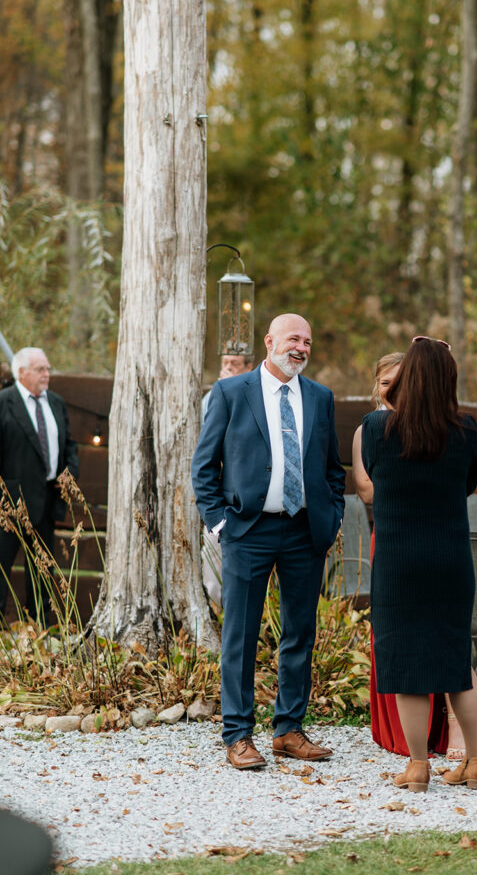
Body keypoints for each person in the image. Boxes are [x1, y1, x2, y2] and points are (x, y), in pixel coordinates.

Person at [192, 313, 346, 771]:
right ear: (270, 341)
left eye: (308, 341)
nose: (301, 347)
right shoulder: (231, 392)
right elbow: (205, 467)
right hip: (247, 530)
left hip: (304, 532)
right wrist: (220, 524)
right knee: (239, 634)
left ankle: (288, 730)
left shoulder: (320, 397)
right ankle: (238, 735)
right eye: (293, 338)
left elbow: (333, 470)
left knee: (300, 632)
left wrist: (331, 518)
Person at [354, 336, 477, 793]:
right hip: (451, 560)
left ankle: (417, 766)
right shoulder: (466, 430)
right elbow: (469, 482)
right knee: (457, 660)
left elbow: (371, 478)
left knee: (407, 664)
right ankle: (475, 762)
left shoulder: (376, 430)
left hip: (398, 562)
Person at [0, 347, 79, 623]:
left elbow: (69, 445)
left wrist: (68, 473)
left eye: (48, 368)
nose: (47, 374)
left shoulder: (55, 402)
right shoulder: (4, 402)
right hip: (8, 506)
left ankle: (40, 631)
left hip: (46, 503)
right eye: (40, 369)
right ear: (22, 372)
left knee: (42, 573)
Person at [200, 354, 254, 605]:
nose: (228, 367)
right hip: (222, 503)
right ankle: (215, 612)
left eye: (235, 363)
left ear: (249, 367)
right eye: (224, 363)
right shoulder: (211, 398)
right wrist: (215, 518)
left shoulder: (260, 397)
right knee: (212, 564)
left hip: (256, 504)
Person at [201, 354, 253, 424]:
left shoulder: (254, 395)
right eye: (225, 362)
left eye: (235, 364)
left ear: (248, 368)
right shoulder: (210, 396)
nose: (228, 367)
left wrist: (232, 389)